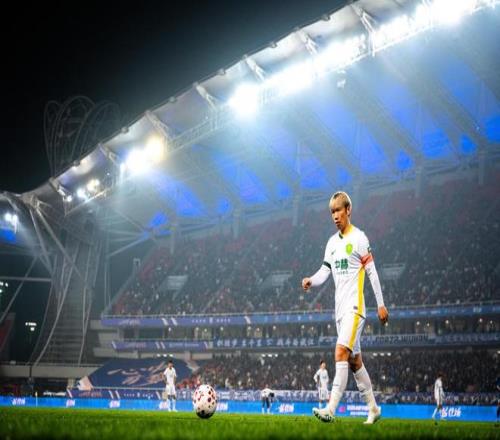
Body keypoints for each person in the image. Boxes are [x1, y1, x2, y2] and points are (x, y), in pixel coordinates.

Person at [302, 191, 388, 424]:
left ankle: (330, 409)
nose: (335, 216)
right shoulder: (332, 243)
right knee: (355, 361)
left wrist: (381, 305)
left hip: (355, 308)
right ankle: (374, 409)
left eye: (338, 210)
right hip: (339, 311)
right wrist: (311, 280)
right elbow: (324, 271)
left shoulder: (359, 238)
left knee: (340, 352)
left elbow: (372, 272)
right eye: (332, 212)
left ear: (348, 210)